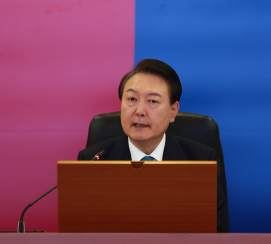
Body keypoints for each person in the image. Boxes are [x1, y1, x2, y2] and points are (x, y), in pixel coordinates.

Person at [77, 59, 229, 233]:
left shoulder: (201, 161)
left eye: (153, 101)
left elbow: (217, 234)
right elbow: (82, 234)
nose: (140, 111)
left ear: (173, 111)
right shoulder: (92, 162)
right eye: (132, 99)